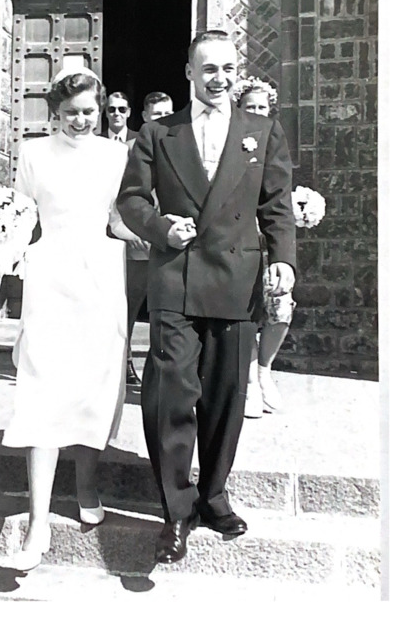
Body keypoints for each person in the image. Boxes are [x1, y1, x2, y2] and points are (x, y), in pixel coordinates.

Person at [117, 30, 296, 565]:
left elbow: (277, 205)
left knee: (223, 398)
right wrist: (159, 227)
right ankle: (176, 510)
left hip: (235, 282)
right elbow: (129, 199)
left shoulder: (262, 132)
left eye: (227, 69)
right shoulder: (157, 133)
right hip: (176, 277)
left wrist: (283, 259)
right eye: (208, 69)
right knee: (169, 397)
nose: (220, 79)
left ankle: (213, 496)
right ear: (189, 74)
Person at [0, 68, 137, 572]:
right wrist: (1, 235)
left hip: (100, 276)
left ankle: (86, 486)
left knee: (93, 388)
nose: (80, 120)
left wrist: (145, 235)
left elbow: (118, 216)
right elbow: (25, 215)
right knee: (42, 388)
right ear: (54, 112)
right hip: (50, 276)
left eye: (88, 111)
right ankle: (37, 525)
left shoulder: (117, 154)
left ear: (100, 110)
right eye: (70, 112)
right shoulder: (33, 154)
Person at [231, 77, 296, 419]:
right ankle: (249, 381)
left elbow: (278, 191)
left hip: (268, 239)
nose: (256, 113)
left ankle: (264, 369)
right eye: (249, 107)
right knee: (247, 310)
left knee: (280, 307)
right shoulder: (230, 140)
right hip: (240, 237)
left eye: (262, 107)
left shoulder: (274, 138)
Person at [122, 92, 175, 387]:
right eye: (157, 115)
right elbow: (116, 197)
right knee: (128, 308)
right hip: (137, 245)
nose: (162, 120)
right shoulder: (128, 150)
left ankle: (163, 374)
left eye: (167, 113)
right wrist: (130, 232)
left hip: (169, 244)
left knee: (166, 311)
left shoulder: (180, 145)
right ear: (144, 117)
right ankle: (124, 363)